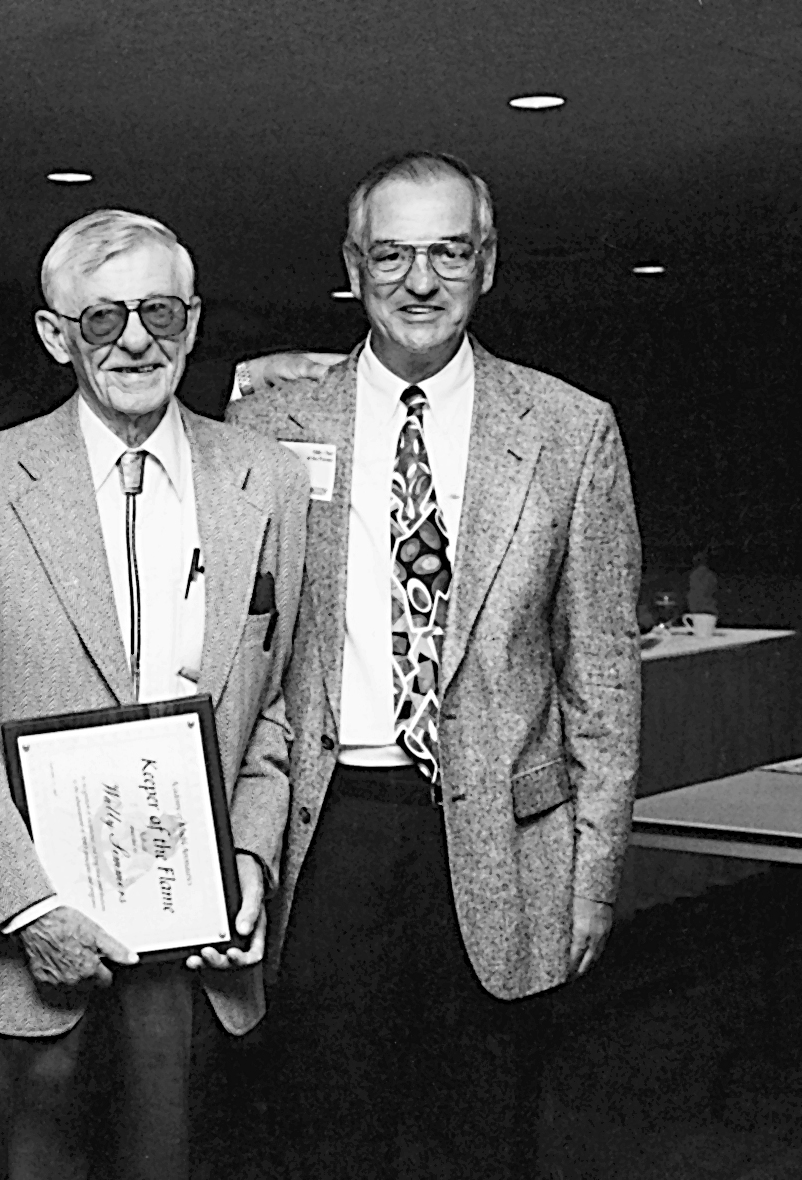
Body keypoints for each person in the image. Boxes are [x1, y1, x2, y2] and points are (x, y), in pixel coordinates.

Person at [227, 151, 642, 1179]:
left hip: (505, 839)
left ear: (486, 263)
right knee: (324, 1135)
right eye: (392, 255)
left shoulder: (569, 430)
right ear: (352, 267)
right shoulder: (272, 426)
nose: (419, 281)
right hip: (329, 838)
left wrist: (593, 874)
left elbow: (600, 674)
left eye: (447, 252)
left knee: (481, 1138)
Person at [0, 208, 311, 1180]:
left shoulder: (265, 480)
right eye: (101, 320)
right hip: (27, 944)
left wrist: (251, 867)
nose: (134, 340)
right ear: (56, 336)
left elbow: (277, 708)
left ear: (191, 320)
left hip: (193, 947)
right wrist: (29, 910)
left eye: (157, 313)